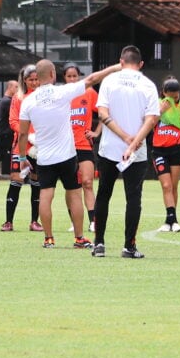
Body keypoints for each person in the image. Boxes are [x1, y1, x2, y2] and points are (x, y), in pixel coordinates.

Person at [18, 59, 120, 248]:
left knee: (46, 194)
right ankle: (79, 237)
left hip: (45, 157)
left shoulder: (28, 101)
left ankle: (48, 238)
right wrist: (115, 68)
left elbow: (23, 133)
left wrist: (23, 157)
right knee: (74, 194)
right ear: (52, 75)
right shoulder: (62, 92)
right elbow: (91, 79)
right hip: (66, 156)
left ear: (37, 77)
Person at [92, 45, 160, 258]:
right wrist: (133, 143)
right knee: (133, 198)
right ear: (140, 64)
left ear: (121, 62)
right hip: (136, 152)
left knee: (104, 194)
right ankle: (129, 246)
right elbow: (152, 119)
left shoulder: (109, 81)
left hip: (109, 149)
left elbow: (102, 113)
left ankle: (99, 244)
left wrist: (123, 137)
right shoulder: (148, 85)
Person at [1, 65, 43, 232]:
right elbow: (13, 121)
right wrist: (27, 134)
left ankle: (34, 221)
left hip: (40, 147)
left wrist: (39, 136)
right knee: (16, 180)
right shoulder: (18, 98)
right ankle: (8, 221)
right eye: (30, 79)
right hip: (22, 146)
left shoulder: (43, 97)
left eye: (36, 79)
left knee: (37, 182)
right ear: (24, 80)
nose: (34, 82)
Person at [154, 76, 180, 232]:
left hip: (177, 149)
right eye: (170, 96)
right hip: (159, 150)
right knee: (166, 185)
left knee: (173, 185)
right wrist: (160, 111)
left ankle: (170, 220)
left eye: (176, 96)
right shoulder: (156, 105)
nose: (174, 99)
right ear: (164, 93)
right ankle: (171, 219)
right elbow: (149, 122)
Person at [63, 63, 100, 234]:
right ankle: (74, 220)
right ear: (64, 78)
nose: (72, 79)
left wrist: (96, 132)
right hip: (66, 147)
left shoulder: (89, 93)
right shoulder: (61, 95)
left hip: (84, 145)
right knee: (71, 186)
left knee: (87, 182)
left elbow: (104, 112)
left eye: (74, 76)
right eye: (69, 76)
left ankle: (93, 221)